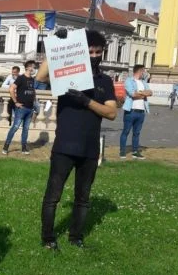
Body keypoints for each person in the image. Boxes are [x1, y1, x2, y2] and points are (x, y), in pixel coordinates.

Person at [35, 29, 117, 250]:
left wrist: (85, 101)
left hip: (90, 149)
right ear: (81, 52)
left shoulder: (105, 81)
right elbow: (41, 77)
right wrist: (56, 46)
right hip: (65, 145)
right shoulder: (67, 74)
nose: (94, 55)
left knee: (83, 198)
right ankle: (48, 239)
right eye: (89, 51)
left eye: (98, 51)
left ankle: (76, 237)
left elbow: (111, 112)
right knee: (53, 196)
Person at [1, 60, 36, 155]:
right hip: (21, 108)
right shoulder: (21, 78)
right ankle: (6, 146)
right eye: (33, 66)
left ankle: (24, 148)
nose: (34, 68)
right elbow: (11, 89)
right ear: (28, 67)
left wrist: (34, 103)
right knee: (15, 127)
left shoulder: (32, 79)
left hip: (30, 108)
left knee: (26, 129)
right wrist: (16, 102)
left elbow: (33, 91)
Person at [119, 64, 152, 160]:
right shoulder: (129, 81)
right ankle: (122, 151)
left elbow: (150, 92)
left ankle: (135, 152)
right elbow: (132, 94)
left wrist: (141, 93)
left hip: (141, 112)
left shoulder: (143, 82)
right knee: (126, 131)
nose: (144, 73)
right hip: (131, 111)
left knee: (137, 133)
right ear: (140, 71)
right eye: (143, 71)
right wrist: (143, 94)